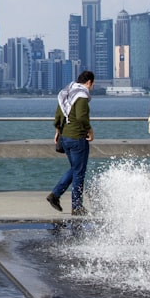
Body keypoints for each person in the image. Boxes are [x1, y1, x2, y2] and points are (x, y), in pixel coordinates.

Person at [46, 70, 95, 216]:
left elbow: (58, 116)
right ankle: (77, 206)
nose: (91, 87)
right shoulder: (81, 95)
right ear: (89, 82)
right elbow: (81, 117)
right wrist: (90, 130)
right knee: (79, 172)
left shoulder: (66, 93)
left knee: (75, 168)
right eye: (92, 84)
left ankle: (55, 195)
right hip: (77, 137)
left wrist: (58, 131)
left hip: (66, 136)